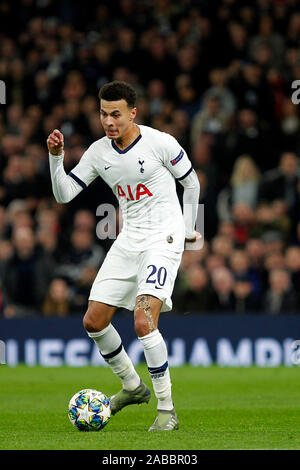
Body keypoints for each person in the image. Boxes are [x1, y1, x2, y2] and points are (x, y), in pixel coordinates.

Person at [47, 80, 200, 431]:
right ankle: (132, 386)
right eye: (103, 113)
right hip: (128, 239)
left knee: (144, 320)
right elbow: (64, 194)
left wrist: (189, 228)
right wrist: (56, 160)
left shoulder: (161, 142)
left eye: (116, 114)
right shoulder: (99, 152)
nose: (108, 121)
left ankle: (166, 411)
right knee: (93, 321)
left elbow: (191, 183)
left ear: (133, 113)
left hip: (164, 237)